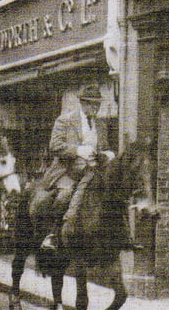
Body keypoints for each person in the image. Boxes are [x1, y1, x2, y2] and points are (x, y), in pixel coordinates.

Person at [37, 83, 115, 250]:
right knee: (64, 195)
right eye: (93, 104)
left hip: (93, 171)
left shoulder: (100, 125)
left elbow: (105, 147)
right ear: (83, 103)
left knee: (114, 193)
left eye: (98, 104)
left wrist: (107, 154)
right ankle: (53, 234)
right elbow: (55, 146)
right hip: (68, 171)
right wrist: (78, 150)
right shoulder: (65, 120)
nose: (96, 107)